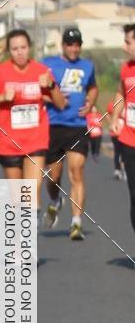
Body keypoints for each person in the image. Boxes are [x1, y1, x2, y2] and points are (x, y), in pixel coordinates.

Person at [0, 29, 65, 221]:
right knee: (16, 200)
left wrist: (50, 86)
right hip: (9, 144)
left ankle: (27, 247)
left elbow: (60, 104)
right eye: (15, 49)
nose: (20, 52)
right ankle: (17, 250)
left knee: (30, 196)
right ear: (9, 51)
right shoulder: (0, 73)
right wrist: (2, 97)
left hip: (36, 142)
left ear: (29, 48)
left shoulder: (41, 71)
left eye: (23, 47)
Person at [41, 28, 98, 241]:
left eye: (77, 45)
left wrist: (90, 102)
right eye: (70, 44)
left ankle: (76, 223)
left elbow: (93, 88)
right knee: (53, 177)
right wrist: (50, 98)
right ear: (63, 45)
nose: (74, 49)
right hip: (53, 126)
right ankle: (56, 202)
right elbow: (36, 90)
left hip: (77, 125)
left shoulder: (87, 66)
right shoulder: (48, 64)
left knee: (77, 171)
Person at [110, 23, 135, 235]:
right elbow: (120, 93)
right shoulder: (126, 69)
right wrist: (115, 117)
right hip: (130, 141)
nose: (124, 46)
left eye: (128, 42)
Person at [107, 96, 125, 180]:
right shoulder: (112, 105)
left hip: (125, 133)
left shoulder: (128, 104)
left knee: (125, 152)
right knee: (117, 151)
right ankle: (117, 170)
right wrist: (112, 123)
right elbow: (107, 115)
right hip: (115, 133)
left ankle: (125, 169)